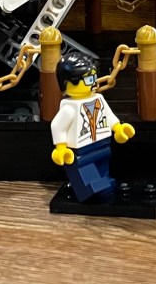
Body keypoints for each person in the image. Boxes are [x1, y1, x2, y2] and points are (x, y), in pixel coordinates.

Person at [50, 54, 135, 202]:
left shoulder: (98, 99)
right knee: (89, 177)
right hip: (82, 149)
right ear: (68, 83)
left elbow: (108, 115)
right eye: (89, 79)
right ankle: (95, 193)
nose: (94, 83)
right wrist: (61, 147)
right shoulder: (70, 108)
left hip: (102, 143)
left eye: (94, 78)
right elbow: (57, 126)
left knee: (104, 170)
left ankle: (104, 189)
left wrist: (118, 128)